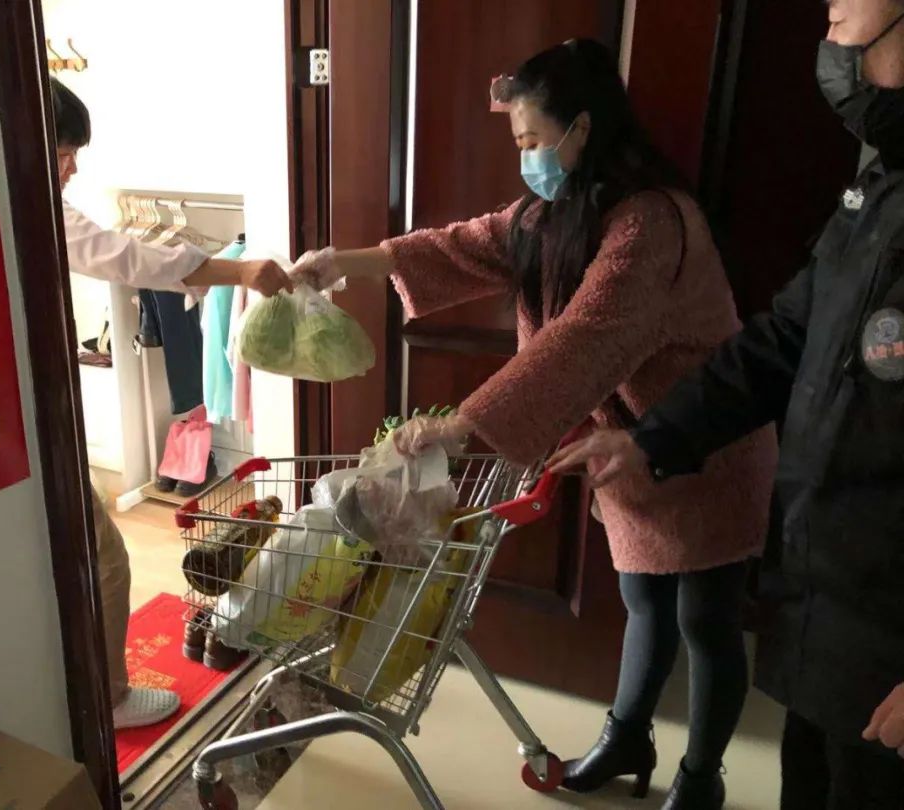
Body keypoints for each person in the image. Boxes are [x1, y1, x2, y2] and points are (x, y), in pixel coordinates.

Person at [290, 39, 776, 808]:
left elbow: (584, 339)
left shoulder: (652, 221)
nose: (525, 160)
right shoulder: (553, 211)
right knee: (644, 601)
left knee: (706, 619)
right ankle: (627, 738)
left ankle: (701, 779)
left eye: (532, 141)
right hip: (626, 449)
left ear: (581, 128)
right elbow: (464, 244)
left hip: (701, 447)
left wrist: (460, 425)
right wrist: (345, 262)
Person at [547, 3, 904, 807]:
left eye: (848, 8)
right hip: (832, 613)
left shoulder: (656, 217)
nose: (830, 25)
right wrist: (649, 441)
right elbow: (779, 341)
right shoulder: (879, 188)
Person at [49, 78, 291, 729]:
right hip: (29, 431)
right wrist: (239, 271)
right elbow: (129, 257)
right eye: (65, 152)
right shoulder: (34, 206)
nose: (72, 169)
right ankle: (108, 700)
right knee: (104, 561)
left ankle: (72, 694)